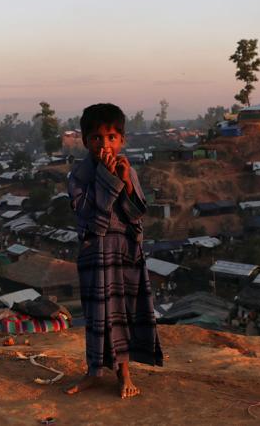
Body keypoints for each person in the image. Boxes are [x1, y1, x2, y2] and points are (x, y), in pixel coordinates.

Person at [64, 103, 163, 399]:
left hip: (125, 252)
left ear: (121, 140)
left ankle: (125, 373)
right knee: (98, 315)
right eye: (96, 138)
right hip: (96, 251)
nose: (103, 144)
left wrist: (125, 184)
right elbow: (89, 213)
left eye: (110, 138)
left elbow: (136, 214)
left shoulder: (127, 170)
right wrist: (108, 179)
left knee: (123, 313)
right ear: (84, 141)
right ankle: (93, 372)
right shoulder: (77, 176)